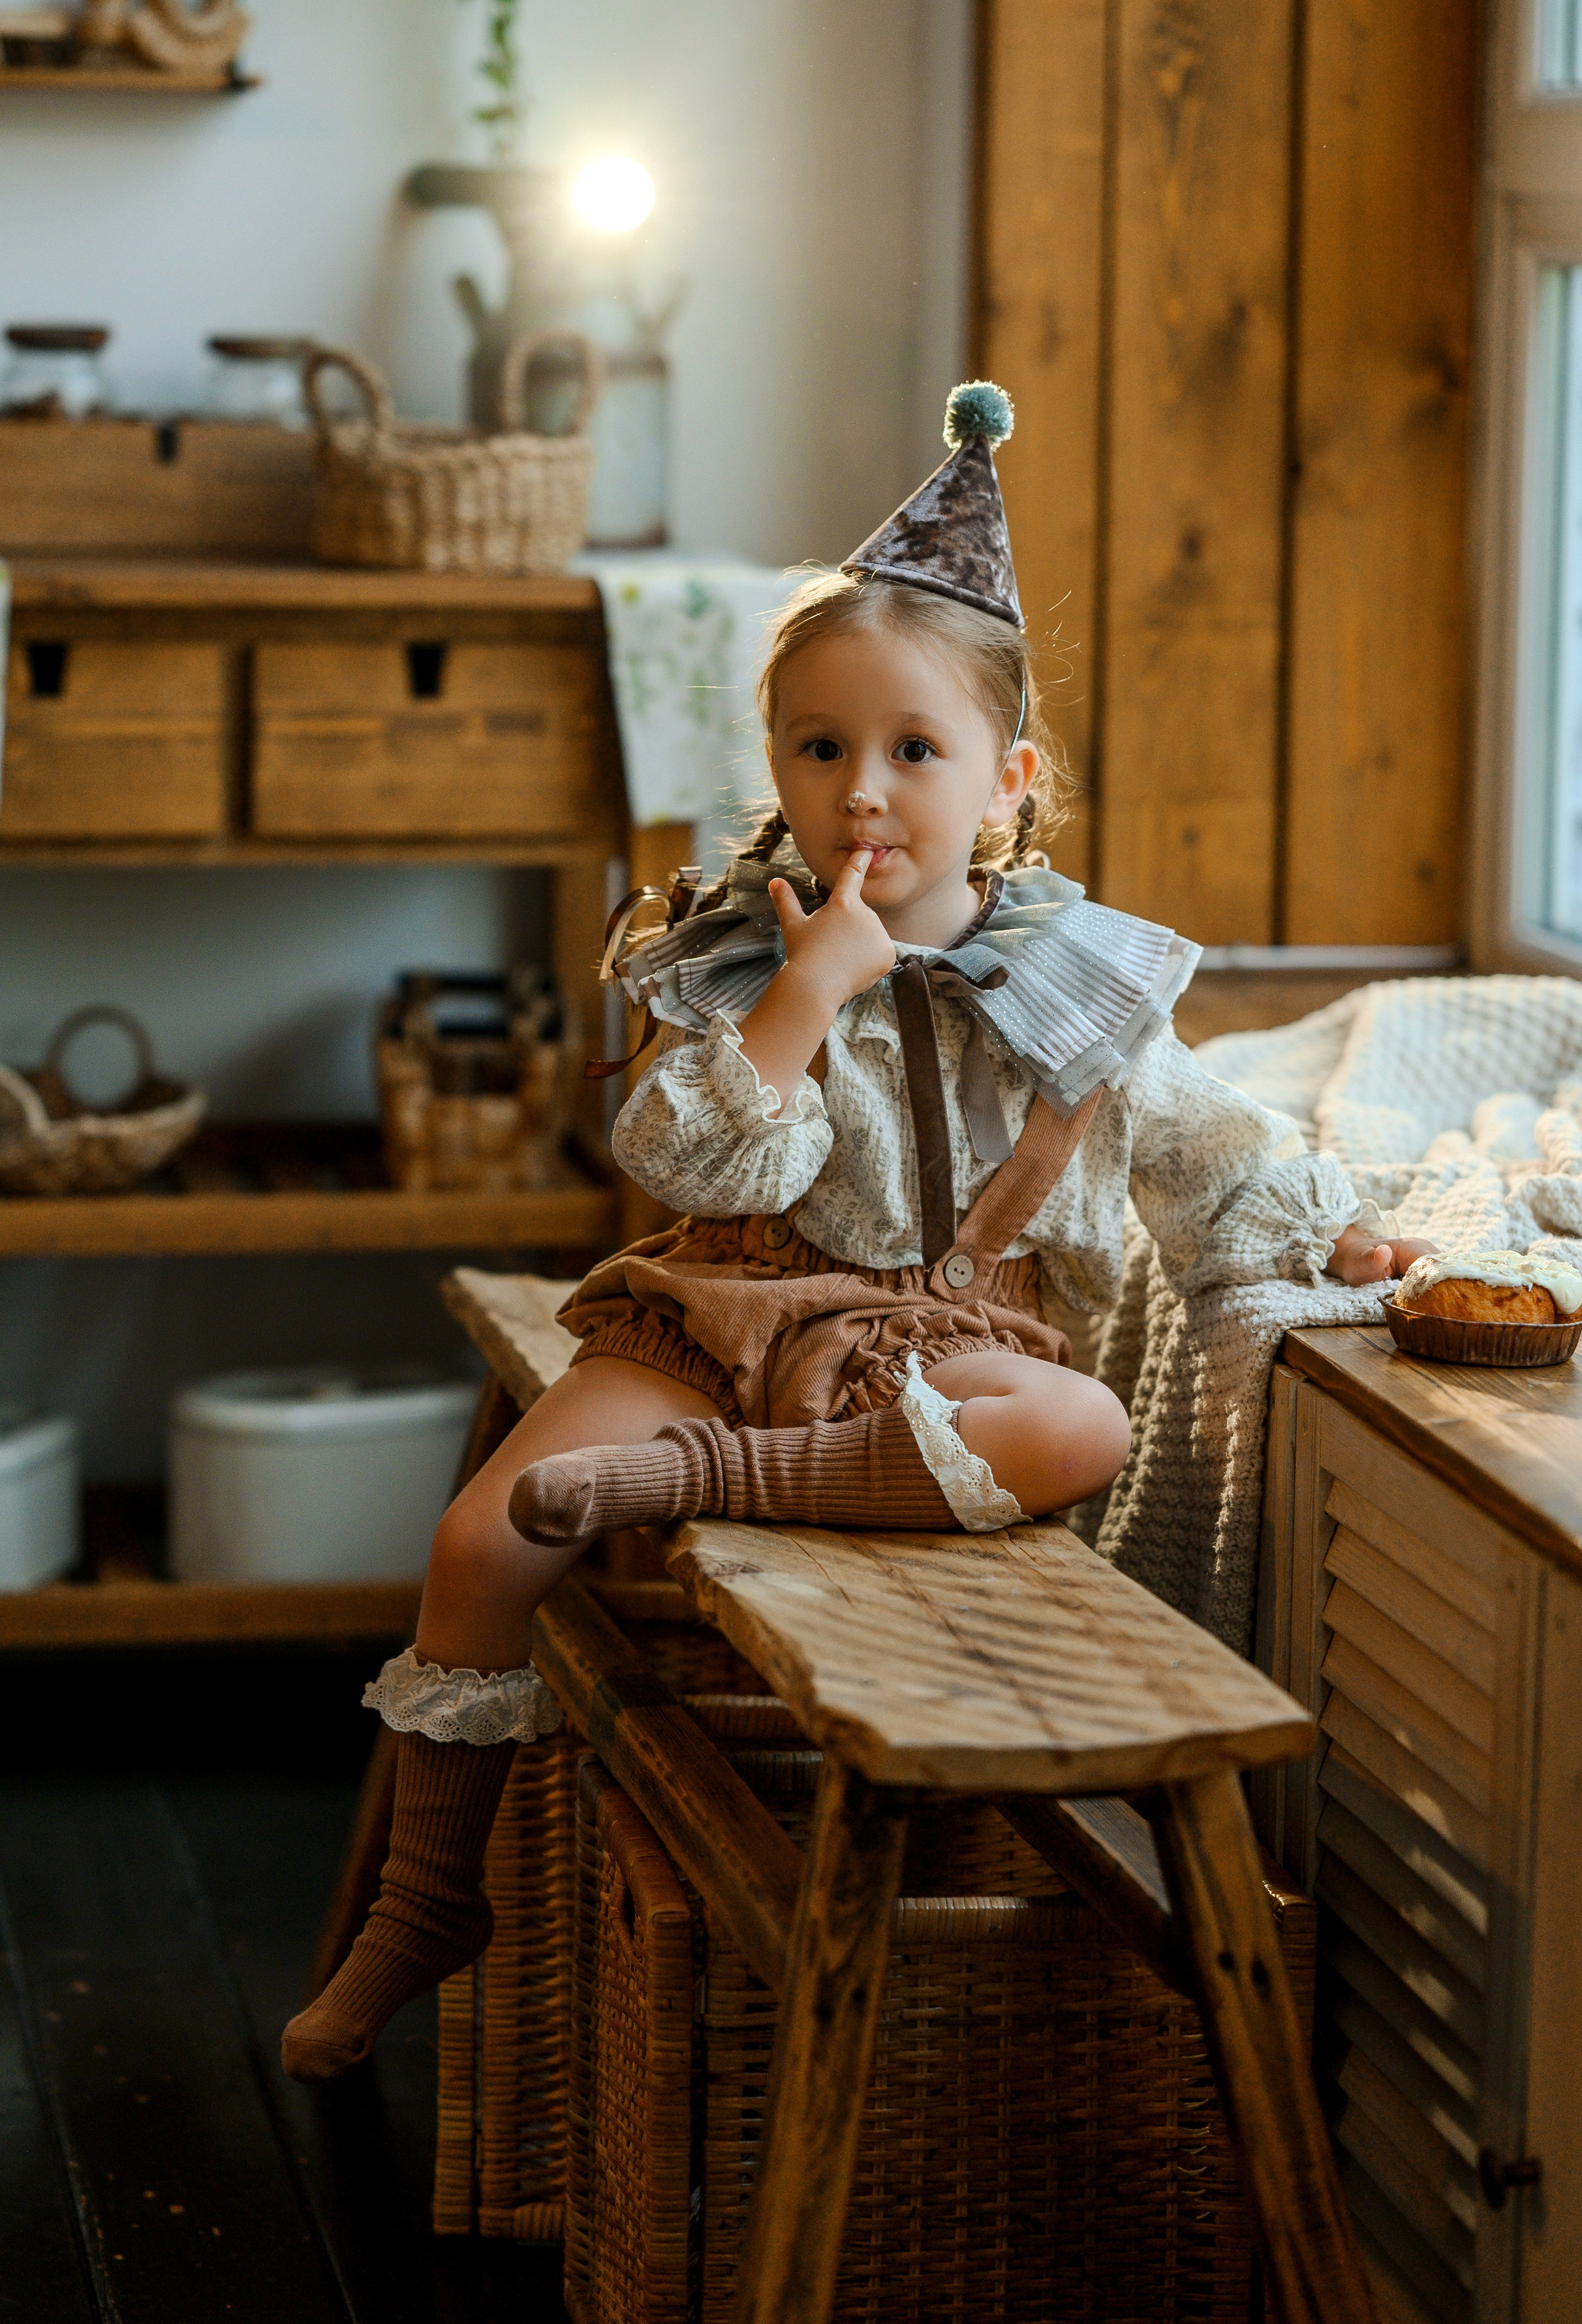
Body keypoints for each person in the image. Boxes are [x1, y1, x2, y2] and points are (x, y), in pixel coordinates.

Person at [282, 383, 1432, 2083]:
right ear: (778, 768)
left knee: (1079, 1424)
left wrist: (1332, 1235)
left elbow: (1196, 1138)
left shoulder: (1073, 973)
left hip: (939, 1340)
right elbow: (694, 1161)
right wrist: (809, 993)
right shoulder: (743, 947)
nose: (865, 794)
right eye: (822, 750)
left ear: (1006, 777)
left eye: (914, 751)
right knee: (481, 1541)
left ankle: (692, 1491)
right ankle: (427, 1900)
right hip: (725, 1315)